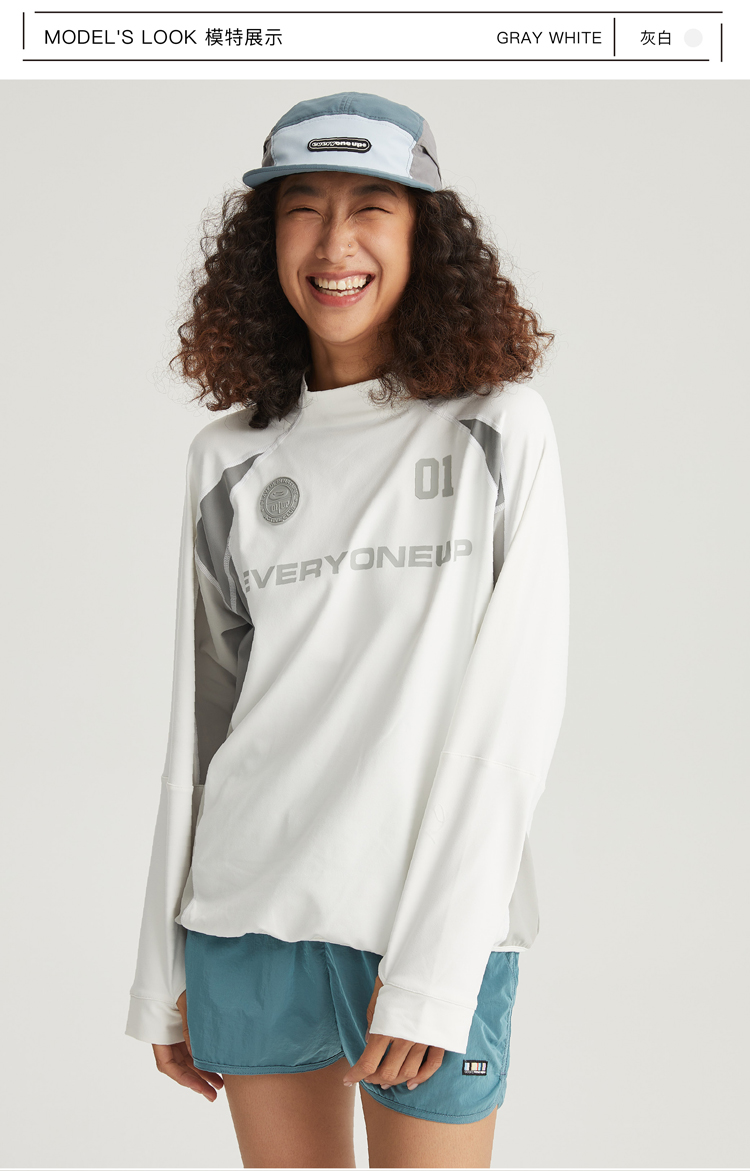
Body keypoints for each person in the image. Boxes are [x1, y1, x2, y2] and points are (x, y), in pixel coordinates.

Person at [124, 91, 569, 1169]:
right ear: (266, 242)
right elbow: (203, 721)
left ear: (424, 236)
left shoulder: (495, 429)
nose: (334, 244)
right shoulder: (228, 458)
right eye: (303, 209)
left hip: (427, 925)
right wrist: (160, 970)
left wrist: (437, 968)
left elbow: (512, 719)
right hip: (245, 919)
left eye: (372, 206)